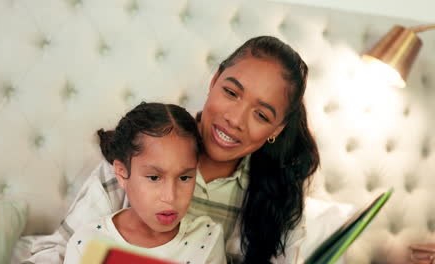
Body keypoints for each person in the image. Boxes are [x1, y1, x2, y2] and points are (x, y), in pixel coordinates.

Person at [25, 36, 319, 264]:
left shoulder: (280, 194)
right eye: (231, 92)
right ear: (214, 81)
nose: (234, 119)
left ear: (277, 129)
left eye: (262, 115)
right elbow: (60, 251)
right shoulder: (136, 157)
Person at [63, 102, 226, 264]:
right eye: (154, 178)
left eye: (184, 178)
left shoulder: (206, 240)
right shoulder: (88, 244)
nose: (170, 197)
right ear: (122, 173)